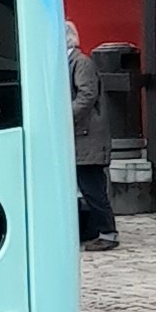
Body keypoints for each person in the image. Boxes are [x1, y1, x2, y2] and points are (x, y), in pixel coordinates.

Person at [69, 22, 118, 249]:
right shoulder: (71, 62)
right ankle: (93, 230)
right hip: (79, 136)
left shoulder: (81, 63)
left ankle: (108, 233)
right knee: (85, 187)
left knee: (92, 187)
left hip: (86, 137)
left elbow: (87, 96)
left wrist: (63, 116)